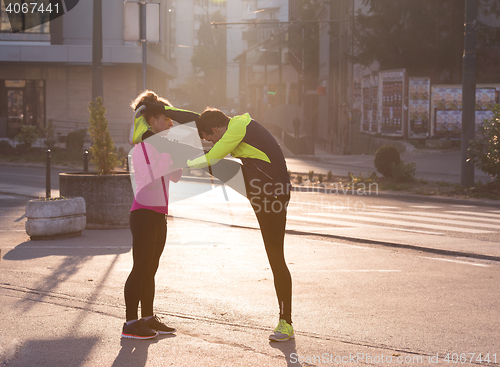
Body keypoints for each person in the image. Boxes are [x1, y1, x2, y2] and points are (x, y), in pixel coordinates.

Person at [186, 108, 294, 342]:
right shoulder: (236, 125)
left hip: (272, 194)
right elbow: (196, 118)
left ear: (215, 129)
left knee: (276, 258)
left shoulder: (237, 128)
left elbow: (214, 157)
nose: (212, 142)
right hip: (261, 188)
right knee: (213, 161)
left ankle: (286, 323)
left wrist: (183, 163)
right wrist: (155, 107)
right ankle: (285, 322)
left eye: (210, 138)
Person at [121, 91, 183, 340]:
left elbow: (175, 176)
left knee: (151, 268)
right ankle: (130, 323)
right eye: (165, 119)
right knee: (141, 267)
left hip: (159, 215)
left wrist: (174, 155)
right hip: (144, 214)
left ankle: (147, 317)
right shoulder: (143, 147)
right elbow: (148, 180)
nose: (170, 124)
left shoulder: (160, 146)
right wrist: (167, 156)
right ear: (151, 120)